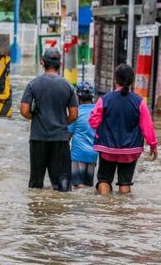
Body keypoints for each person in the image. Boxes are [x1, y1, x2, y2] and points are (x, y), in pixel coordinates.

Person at [89, 64, 158, 195]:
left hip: (107, 148)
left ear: (115, 80)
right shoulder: (139, 101)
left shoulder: (104, 100)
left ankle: (105, 207)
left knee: (104, 180)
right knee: (125, 183)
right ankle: (123, 210)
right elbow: (147, 126)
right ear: (131, 81)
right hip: (130, 150)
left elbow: (93, 122)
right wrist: (153, 145)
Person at [20, 48, 79, 192]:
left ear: (42, 62)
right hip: (60, 139)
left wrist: (36, 118)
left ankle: (36, 211)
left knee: (36, 182)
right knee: (63, 180)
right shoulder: (68, 86)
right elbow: (74, 114)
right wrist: (61, 123)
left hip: (38, 138)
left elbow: (24, 111)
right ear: (60, 63)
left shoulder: (33, 85)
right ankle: (60, 210)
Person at [68, 81, 98, 189]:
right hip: (93, 155)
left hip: (78, 155)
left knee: (78, 186)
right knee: (88, 186)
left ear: (78, 98)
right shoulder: (98, 112)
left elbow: (68, 135)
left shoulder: (76, 113)